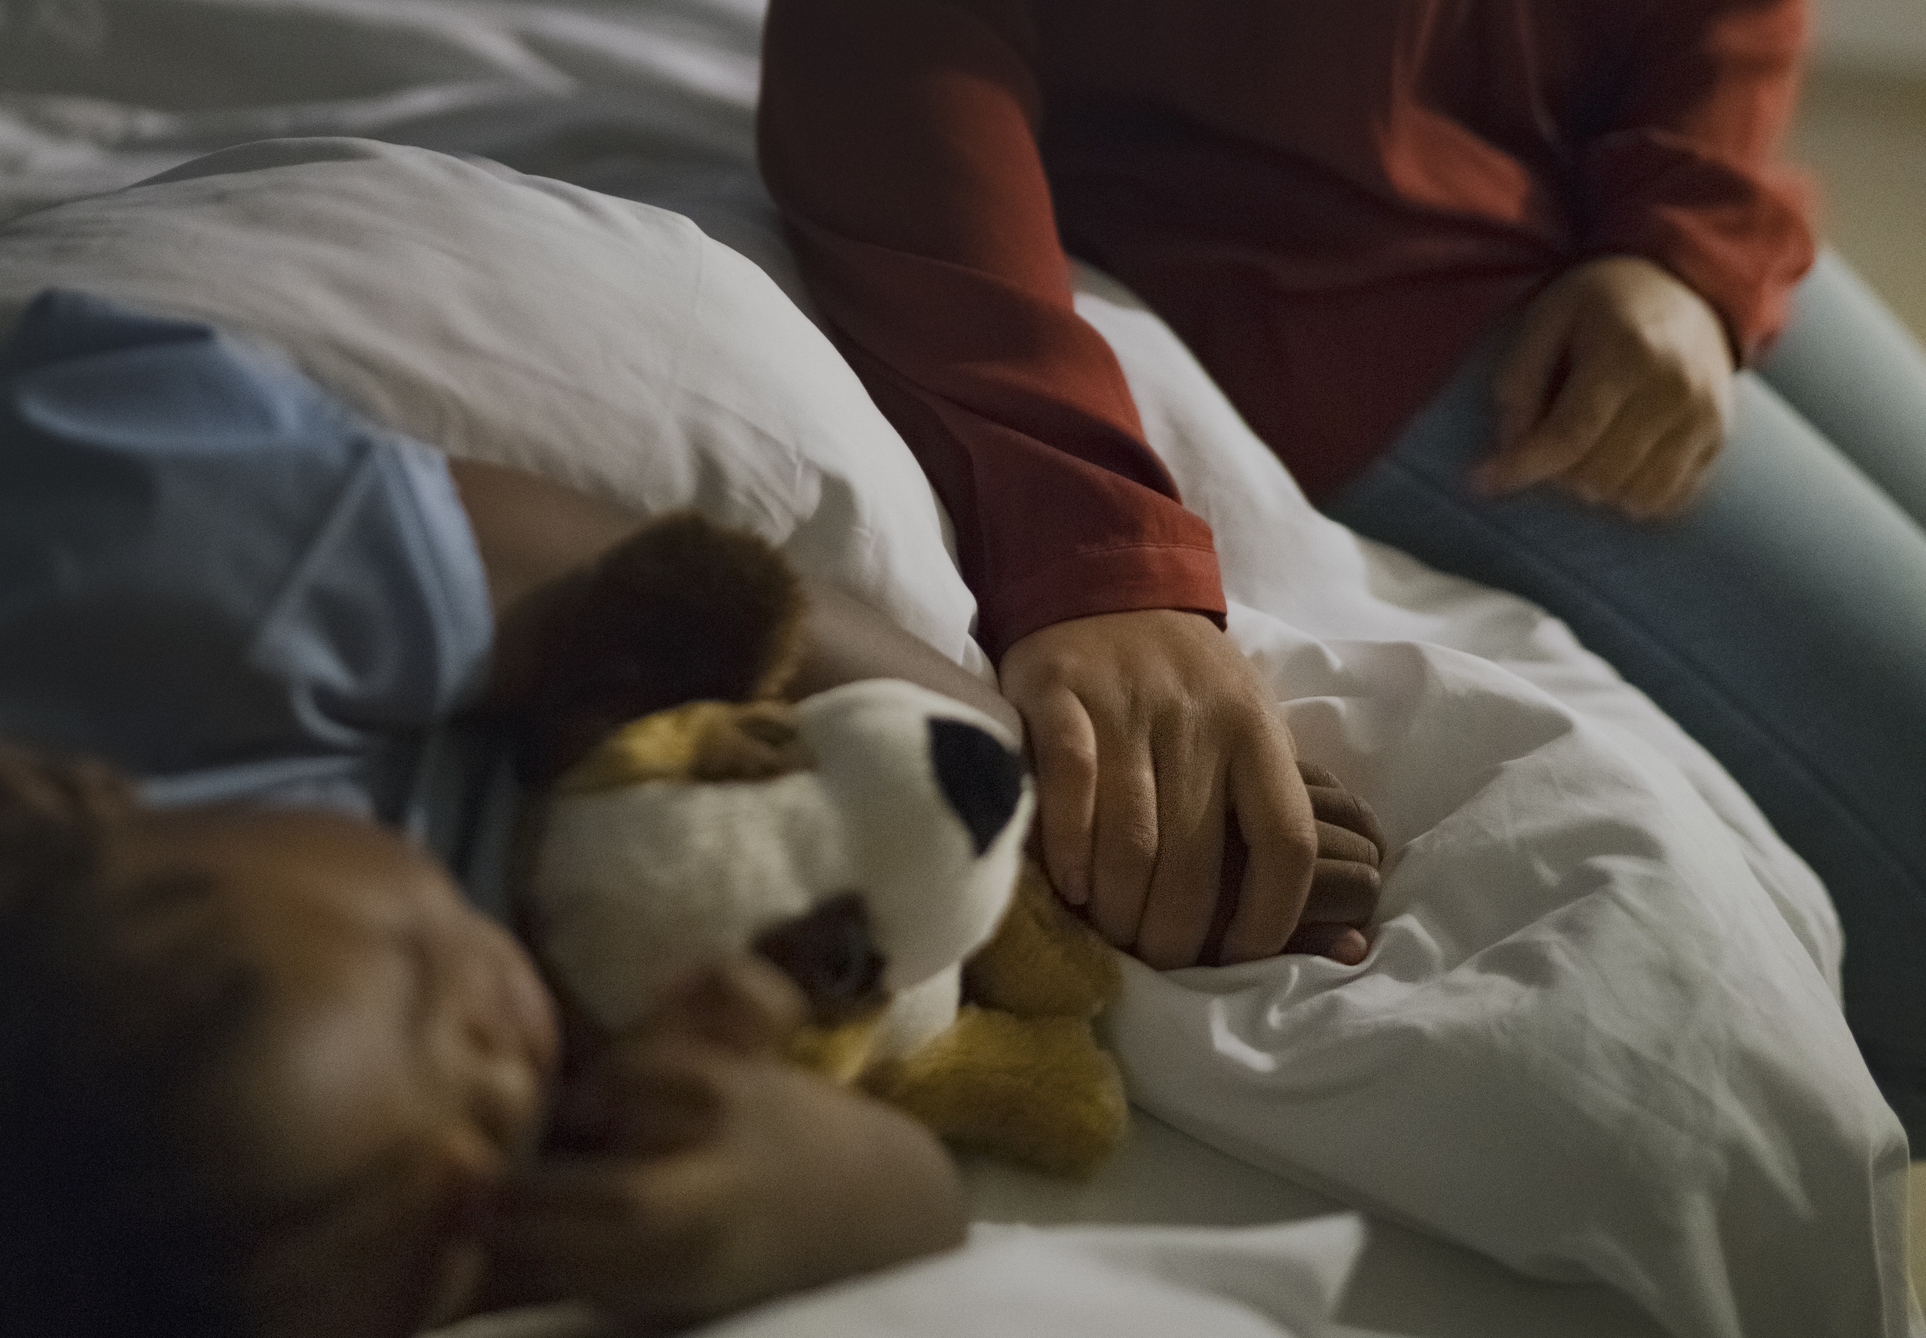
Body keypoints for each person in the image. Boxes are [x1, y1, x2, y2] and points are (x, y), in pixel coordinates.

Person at [0, 289, 1382, 1338]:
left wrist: (1043, 794)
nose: (518, 1066)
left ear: (75, 805)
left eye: (425, 972)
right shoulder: (286, 1255)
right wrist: (814, 1202)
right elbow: (905, 1211)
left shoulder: (102, 576)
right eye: (465, 1237)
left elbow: (647, 584)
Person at [756, 0, 1926, 1140]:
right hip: (1350, 279)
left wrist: (1683, 238)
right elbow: (885, 51)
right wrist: (1090, 547)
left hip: (1618, 139)